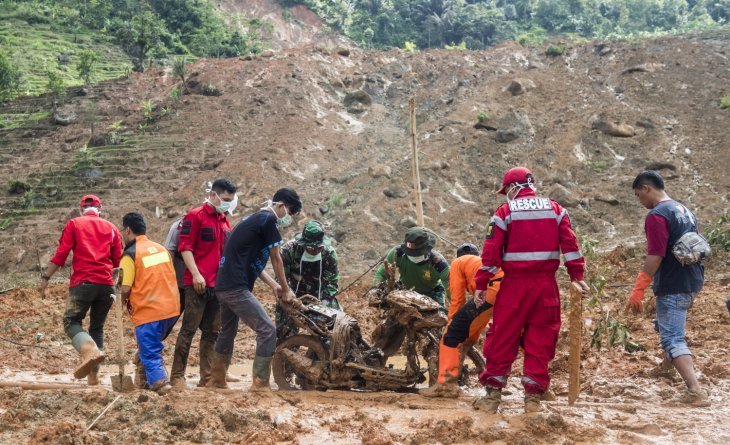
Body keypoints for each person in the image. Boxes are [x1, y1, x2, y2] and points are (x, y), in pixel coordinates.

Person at [472, 167, 588, 414]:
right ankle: (533, 401)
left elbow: (491, 256)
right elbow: (571, 246)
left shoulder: (505, 213)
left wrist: (482, 283)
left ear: (513, 188)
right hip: (547, 287)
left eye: (507, 190)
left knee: (502, 337)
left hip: (514, 286)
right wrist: (577, 276)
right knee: (541, 340)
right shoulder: (556, 210)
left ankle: (492, 398)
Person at [627, 170, 709, 406]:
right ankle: (667, 367)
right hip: (692, 279)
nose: (639, 201)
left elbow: (655, 255)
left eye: (637, 195)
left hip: (674, 282)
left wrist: (639, 288)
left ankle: (695, 391)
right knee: (664, 323)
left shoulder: (657, 215)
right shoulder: (684, 210)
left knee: (672, 337)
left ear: (646, 188)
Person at [208, 188, 302, 391]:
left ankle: (216, 380)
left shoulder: (256, 219)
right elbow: (276, 258)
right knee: (267, 329)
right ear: (280, 205)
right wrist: (286, 290)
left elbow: (254, 264)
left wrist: (275, 286)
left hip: (224, 285)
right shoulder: (268, 220)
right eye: (290, 212)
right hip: (235, 287)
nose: (289, 218)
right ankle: (260, 383)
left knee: (227, 331)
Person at [39, 195, 123, 385]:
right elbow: (118, 262)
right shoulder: (112, 228)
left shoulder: (74, 224)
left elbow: (62, 254)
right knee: (97, 327)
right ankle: (93, 377)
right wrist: (118, 287)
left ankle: (88, 351)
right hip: (106, 284)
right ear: (100, 210)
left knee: (71, 321)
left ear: (80, 209)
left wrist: (45, 277)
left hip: (83, 282)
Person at [170, 178, 237, 389]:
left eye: (231, 200)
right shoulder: (195, 216)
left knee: (212, 333)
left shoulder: (224, 221)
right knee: (188, 329)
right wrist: (196, 274)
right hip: (197, 284)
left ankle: (207, 378)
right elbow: (185, 247)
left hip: (217, 286)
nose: (227, 203)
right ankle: (177, 376)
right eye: (225, 199)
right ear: (213, 195)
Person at [421, 243, 503, 398]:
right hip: (511, 289)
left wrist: (452, 324)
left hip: (491, 289)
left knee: (451, 336)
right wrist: (469, 338)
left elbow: (457, 298)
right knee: (517, 337)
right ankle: (540, 388)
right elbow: (481, 317)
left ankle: (446, 385)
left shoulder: (458, 263)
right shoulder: (480, 263)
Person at [118, 213, 180, 395]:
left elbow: (125, 288)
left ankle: (161, 385)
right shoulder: (161, 249)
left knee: (149, 351)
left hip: (149, 311)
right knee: (149, 345)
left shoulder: (130, 255)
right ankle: (143, 380)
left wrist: (120, 300)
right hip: (171, 309)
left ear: (128, 230)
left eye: (122, 230)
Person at [371, 227, 450, 361]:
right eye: (410, 253)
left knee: (439, 332)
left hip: (432, 295)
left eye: (417, 254)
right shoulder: (397, 253)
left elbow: (451, 289)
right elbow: (380, 273)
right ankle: (377, 360)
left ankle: (441, 363)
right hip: (406, 295)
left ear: (427, 250)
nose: (413, 256)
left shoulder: (439, 263)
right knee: (390, 328)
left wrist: (455, 309)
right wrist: (376, 289)